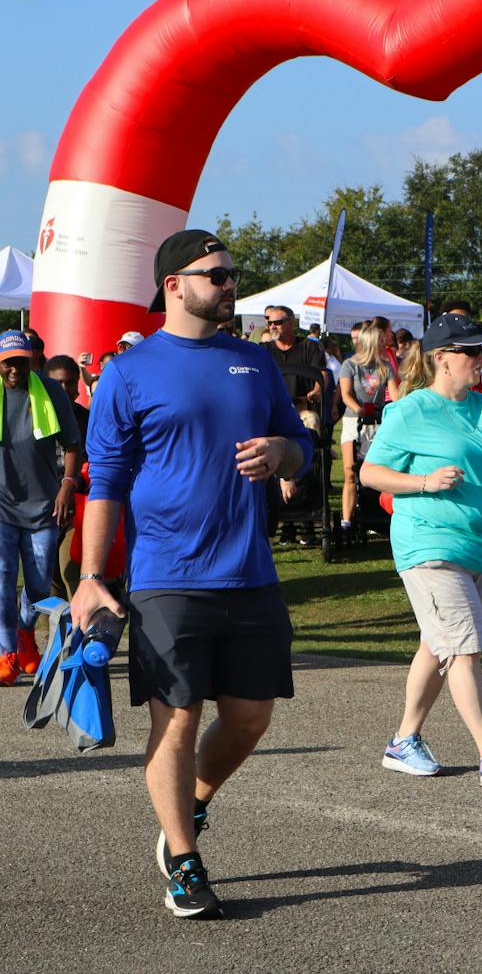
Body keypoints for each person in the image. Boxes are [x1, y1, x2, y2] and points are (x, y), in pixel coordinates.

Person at [72, 228, 313, 919]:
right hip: (165, 575)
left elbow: (300, 446)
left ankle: (192, 805)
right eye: (215, 273)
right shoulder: (129, 371)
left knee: (249, 717)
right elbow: (106, 482)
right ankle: (183, 858)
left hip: (250, 572)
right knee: (178, 717)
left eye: (233, 272)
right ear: (174, 285)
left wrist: (281, 450)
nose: (230, 283)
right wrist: (92, 574)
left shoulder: (255, 363)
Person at [360, 313, 482, 787]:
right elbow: (370, 474)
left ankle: (403, 741)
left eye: (481, 350)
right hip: (429, 543)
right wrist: (423, 482)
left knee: (439, 646)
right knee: (464, 649)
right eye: (470, 351)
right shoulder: (412, 409)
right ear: (441, 359)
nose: (480, 359)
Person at [0, 333, 82, 684]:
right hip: (2, 506)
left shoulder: (51, 392)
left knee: (36, 587)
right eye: (8, 362)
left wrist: (67, 484)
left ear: (32, 360)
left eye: (21, 360)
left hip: (44, 508)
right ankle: (6, 654)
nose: (15, 368)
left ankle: (24, 633)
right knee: (2, 582)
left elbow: (73, 444)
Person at [337, 324, 399, 532]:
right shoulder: (350, 365)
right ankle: (346, 520)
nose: (385, 344)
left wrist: (398, 408)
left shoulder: (385, 366)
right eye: (382, 341)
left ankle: (382, 514)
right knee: (350, 472)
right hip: (354, 422)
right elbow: (346, 394)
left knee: (381, 470)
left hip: (378, 423)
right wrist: (359, 410)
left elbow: (395, 394)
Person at [44, 354, 90, 605]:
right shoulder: (30, 416)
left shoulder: (88, 419)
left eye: (69, 383)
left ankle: (80, 637)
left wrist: (73, 485)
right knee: (48, 582)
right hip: (39, 510)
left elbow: (95, 463)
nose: (63, 389)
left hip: (77, 509)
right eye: (57, 383)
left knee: (71, 570)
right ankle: (55, 638)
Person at [262, 307, 325, 407]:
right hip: (273, 407)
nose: (272, 326)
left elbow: (322, 374)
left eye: (278, 322)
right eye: (270, 323)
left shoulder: (310, 347)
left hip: (304, 408)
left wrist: (317, 391)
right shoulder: (263, 350)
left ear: (292, 323)